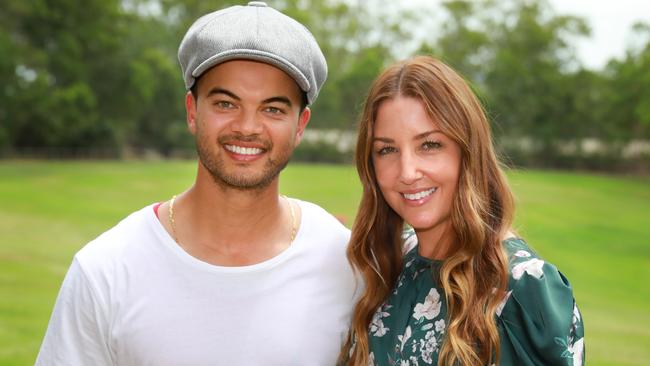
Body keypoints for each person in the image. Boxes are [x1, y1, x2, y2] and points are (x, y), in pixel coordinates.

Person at [36, 2, 358, 365]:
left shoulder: (347, 264)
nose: (247, 127)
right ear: (192, 111)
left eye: (273, 109)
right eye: (225, 103)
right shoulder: (106, 270)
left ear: (300, 125)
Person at [340, 56, 585, 365]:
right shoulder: (390, 263)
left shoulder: (523, 288)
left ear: (467, 151)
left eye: (429, 145)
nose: (407, 171)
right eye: (387, 150)